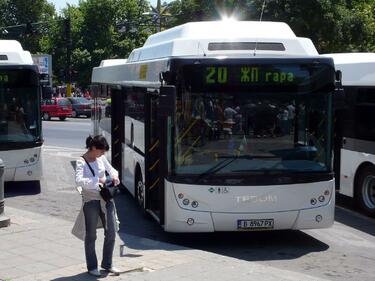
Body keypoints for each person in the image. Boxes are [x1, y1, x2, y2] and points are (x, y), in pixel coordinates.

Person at [73, 135, 121, 277]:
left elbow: (112, 170)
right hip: (91, 201)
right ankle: (92, 266)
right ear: (93, 148)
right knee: (91, 235)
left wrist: (114, 176)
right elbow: (78, 181)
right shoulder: (81, 161)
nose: (102, 154)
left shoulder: (101, 158)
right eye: (101, 151)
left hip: (106, 199)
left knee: (111, 231)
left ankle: (107, 264)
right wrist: (97, 180)